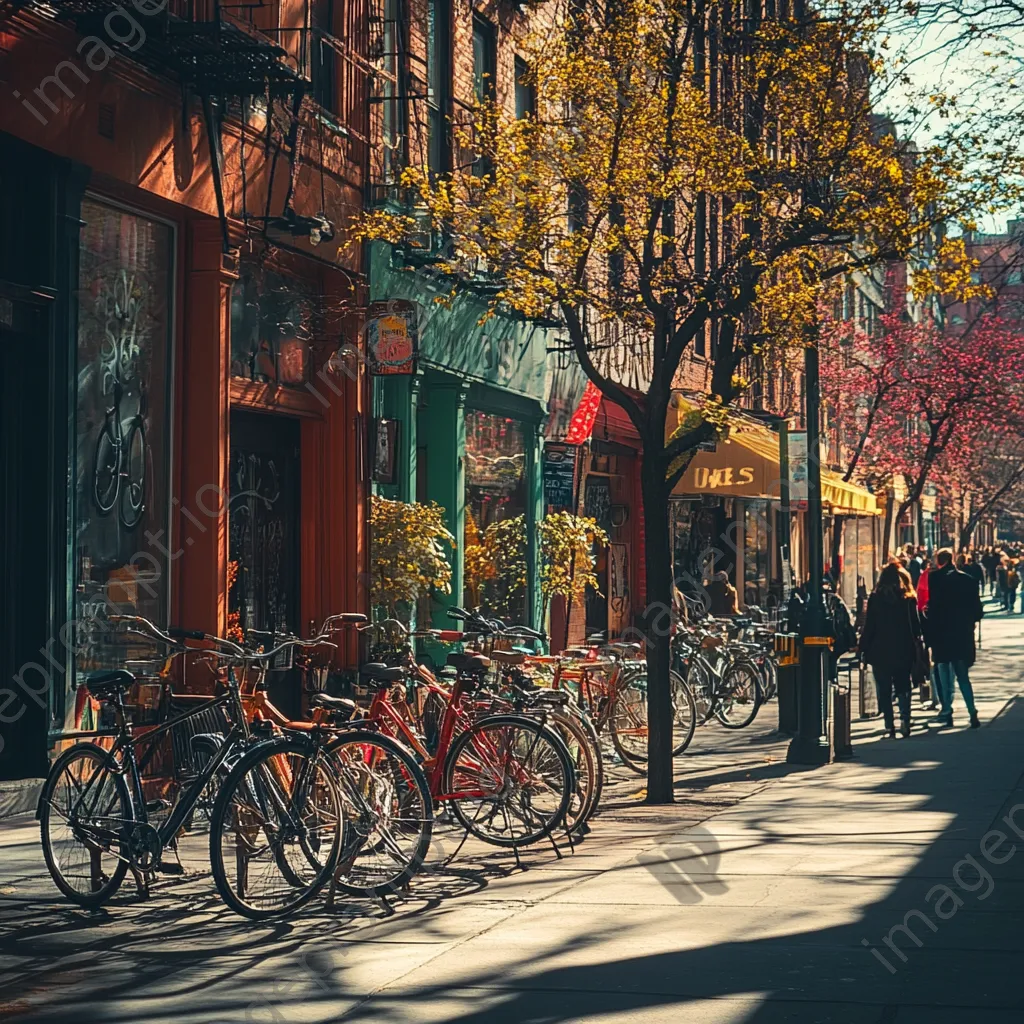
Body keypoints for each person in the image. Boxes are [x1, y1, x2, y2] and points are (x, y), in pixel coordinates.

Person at [860, 562, 922, 738]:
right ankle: (905, 718)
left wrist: (862, 648)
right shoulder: (908, 599)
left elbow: (869, 626)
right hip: (904, 648)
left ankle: (889, 725)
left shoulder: (876, 598)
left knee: (884, 689)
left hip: (880, 650)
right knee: (904, 685)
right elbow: (916, 627)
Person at [924, 548, 983, 729]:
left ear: (939, 561)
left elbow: (934, 607)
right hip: (962, 635)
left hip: (942, 635)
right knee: (962, 675)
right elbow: (977, 611)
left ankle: (947, 710)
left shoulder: (935, 578)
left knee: (943, 673)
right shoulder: (969, 580)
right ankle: (971, 710)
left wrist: (928, 619)